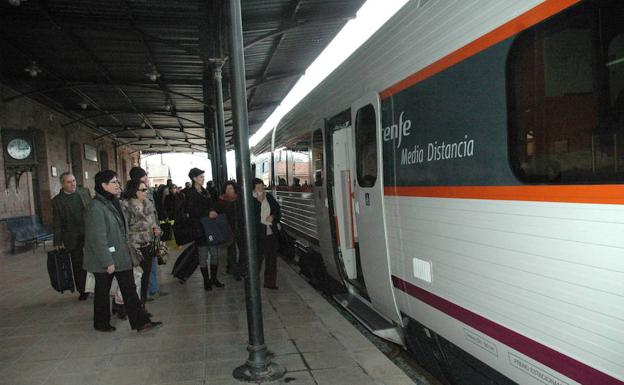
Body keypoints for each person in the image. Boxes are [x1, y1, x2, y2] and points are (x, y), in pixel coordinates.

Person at [83, 170, 162, 333]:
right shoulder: (95, 207)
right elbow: (97, 238)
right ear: (103, 185)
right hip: (104, 257)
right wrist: (108, 262)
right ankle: (101, 322)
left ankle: (141, 322)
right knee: (102, 291)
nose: (118, 185)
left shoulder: (113, 202)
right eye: (113, 182)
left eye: (117, 182)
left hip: (120, 254)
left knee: (130, 289)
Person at [52, 172, 92, 300]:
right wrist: (57, 241)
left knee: (95, 260)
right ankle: (83, 290)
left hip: (89, 234)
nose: (73, 184)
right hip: (72, 238)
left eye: (73, 180)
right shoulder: (57, 201)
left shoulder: (84, 192)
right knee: (78, 264)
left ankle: (99, 286)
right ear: (62, 184)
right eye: (69, 182)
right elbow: (57, 221)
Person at [128, 167, 167, 300]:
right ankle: (146, 292)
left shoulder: (148, 195)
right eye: (143, 177)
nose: (147, 179)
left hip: (151, 236)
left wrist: (156, 228)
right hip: (138, 242)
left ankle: (153, 289)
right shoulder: (128, 204)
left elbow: (153, 214)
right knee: (143, 269)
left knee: (153, 265)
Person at [121, 179, 161, 307]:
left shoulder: (148, 203)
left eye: (146, 189)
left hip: (148, 244)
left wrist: (155, 229)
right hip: (133, 247)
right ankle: (123, 306)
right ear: (134, 191)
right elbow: (124, 227)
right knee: (132, 279)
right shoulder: (125, 206)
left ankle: (142, 305)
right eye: (143, 190)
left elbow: (153, 221)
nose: (146, 192)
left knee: (145, 277)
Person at [185, 168, 224, 290]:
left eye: (203, 176)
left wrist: (213, 210)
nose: (203, 178)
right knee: (203, 255)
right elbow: (191, 211)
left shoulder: (205, 191)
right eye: (201, 177)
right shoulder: (190, 193)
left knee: (214, 254)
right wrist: (208, 213)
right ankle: (207, 281)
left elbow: (211, 204)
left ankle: (214, 279)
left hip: (209, 226)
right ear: (194, 178)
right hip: (199, 229)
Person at [252, 178, 281, 289]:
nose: (261, 189)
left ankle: (270, 283)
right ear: (254, 188)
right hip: (258, 233)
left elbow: (277, 210)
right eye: (258, 187)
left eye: (262, 186)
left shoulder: (268, 197)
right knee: (258, 259)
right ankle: (254, 282)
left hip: (270, 232)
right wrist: (259, 203)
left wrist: (273, 216)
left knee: (272, 258)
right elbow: (251, 217)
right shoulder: (250, 199)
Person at [216, 181, 244, 281]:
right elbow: (218, 214)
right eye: (227, 189)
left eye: (231, 188)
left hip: (240, 228)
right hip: (228, 229)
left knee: (243, 250)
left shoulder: (239, 199)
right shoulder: (221, 201)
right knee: (231, 251)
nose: (229, 191)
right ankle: (235, 271)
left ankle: (240, 269)